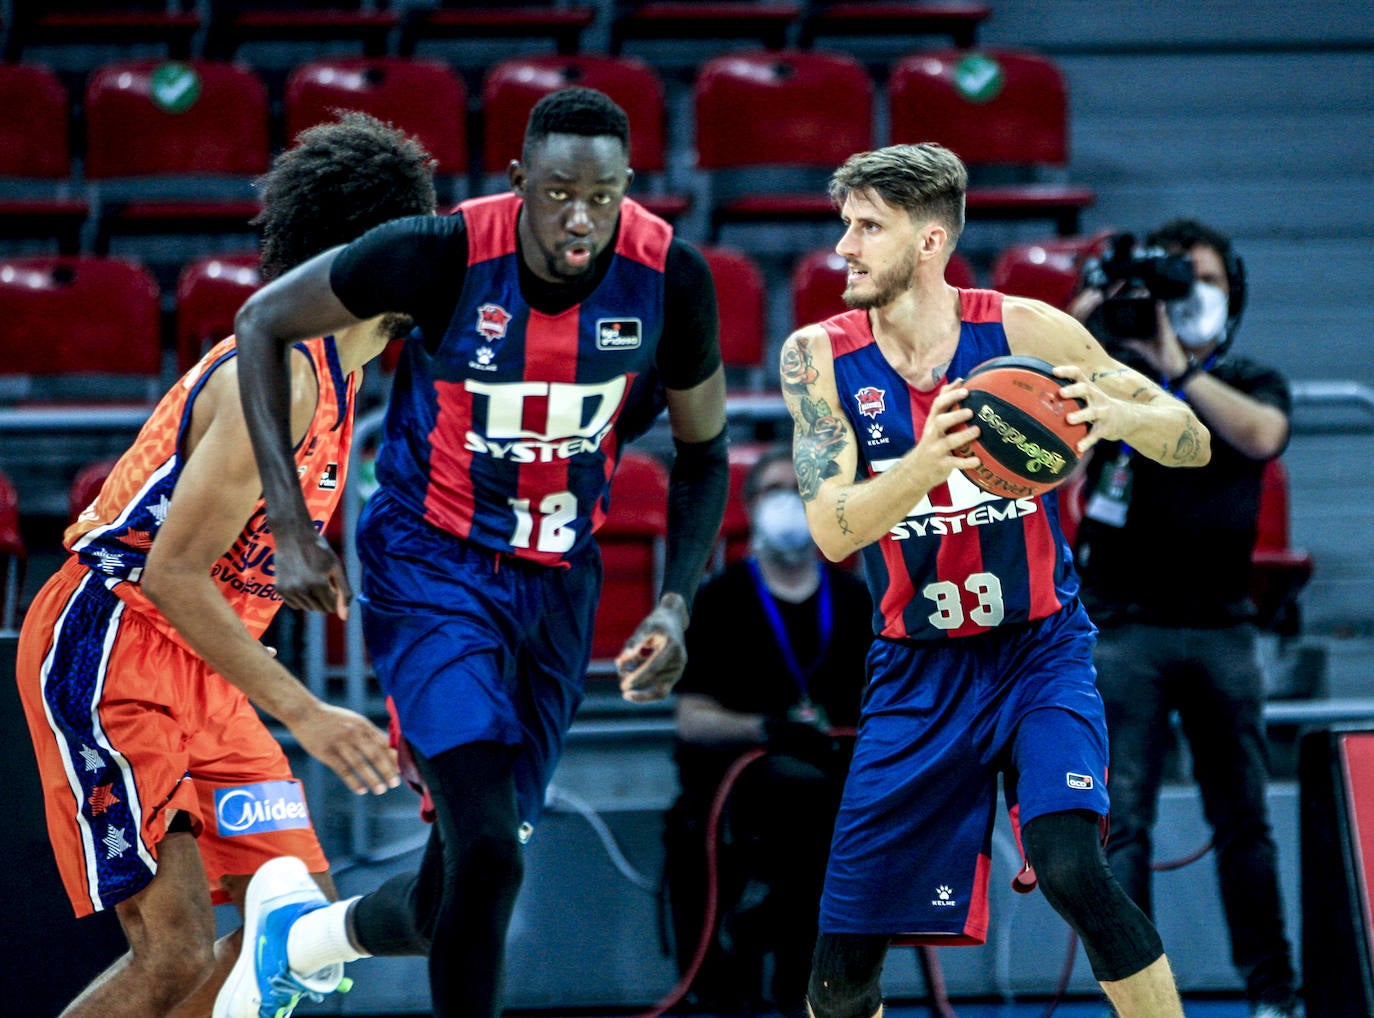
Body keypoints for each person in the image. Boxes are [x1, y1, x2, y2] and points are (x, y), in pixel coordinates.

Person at [216, 87, 729, 1018]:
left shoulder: (670, 278)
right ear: (519, 180)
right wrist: (293, 526)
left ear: (628, 189)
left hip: (558, 584)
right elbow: (261, 322)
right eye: (561, 193)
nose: (582, 218)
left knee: (459, 888)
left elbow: (705, 452)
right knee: (493, 852)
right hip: (432, 567)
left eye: (603, 197)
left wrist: (677, 598)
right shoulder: (437, 251)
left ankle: (304, 938)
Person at [13, 111, 435, 1018]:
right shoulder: (277, 379)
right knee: (172, 954)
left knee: (298, 932)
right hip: (113, 643)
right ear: (374, 256)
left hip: (206, 665)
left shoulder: (355, 364)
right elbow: (172, 574)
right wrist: (308, 713)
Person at [779, 143, 1213, 1018]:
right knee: (841, 973)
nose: (845, 249)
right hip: (914, 672)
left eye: (868, 227)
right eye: (844, 226)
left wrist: (1115, 413)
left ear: (930, 240)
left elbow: (1189, 437)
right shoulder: (815, 357)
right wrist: (924, 462)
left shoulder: (1026, 332)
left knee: (1070, 865)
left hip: (1037, 651)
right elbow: (831, 532)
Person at [1070, 220, 1301, 1018]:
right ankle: (1138, 1001)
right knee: (1121, 825)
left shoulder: (1249, 378)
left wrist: (1174, 364)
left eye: (1199, 279)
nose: (1184, 294)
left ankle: (1273, 993)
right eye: (1172, 279)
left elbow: (1261, 436)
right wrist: (1102, 294)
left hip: (1222, 629)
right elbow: (1044, 394)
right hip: (1126, 628)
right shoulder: (1114, 378)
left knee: (1244, 821)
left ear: (1231, 291)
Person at [664, 446, 872, 1018]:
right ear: (751, 506)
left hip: (832, 784)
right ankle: (738, 971)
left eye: (799, 489)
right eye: (773, 490)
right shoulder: (720, 598)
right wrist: (766, 729)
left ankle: (807, 981)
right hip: (740, 782)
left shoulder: (854, 600)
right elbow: (692, 720)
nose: (788, 502)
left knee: (830, 813)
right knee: (787, 797)